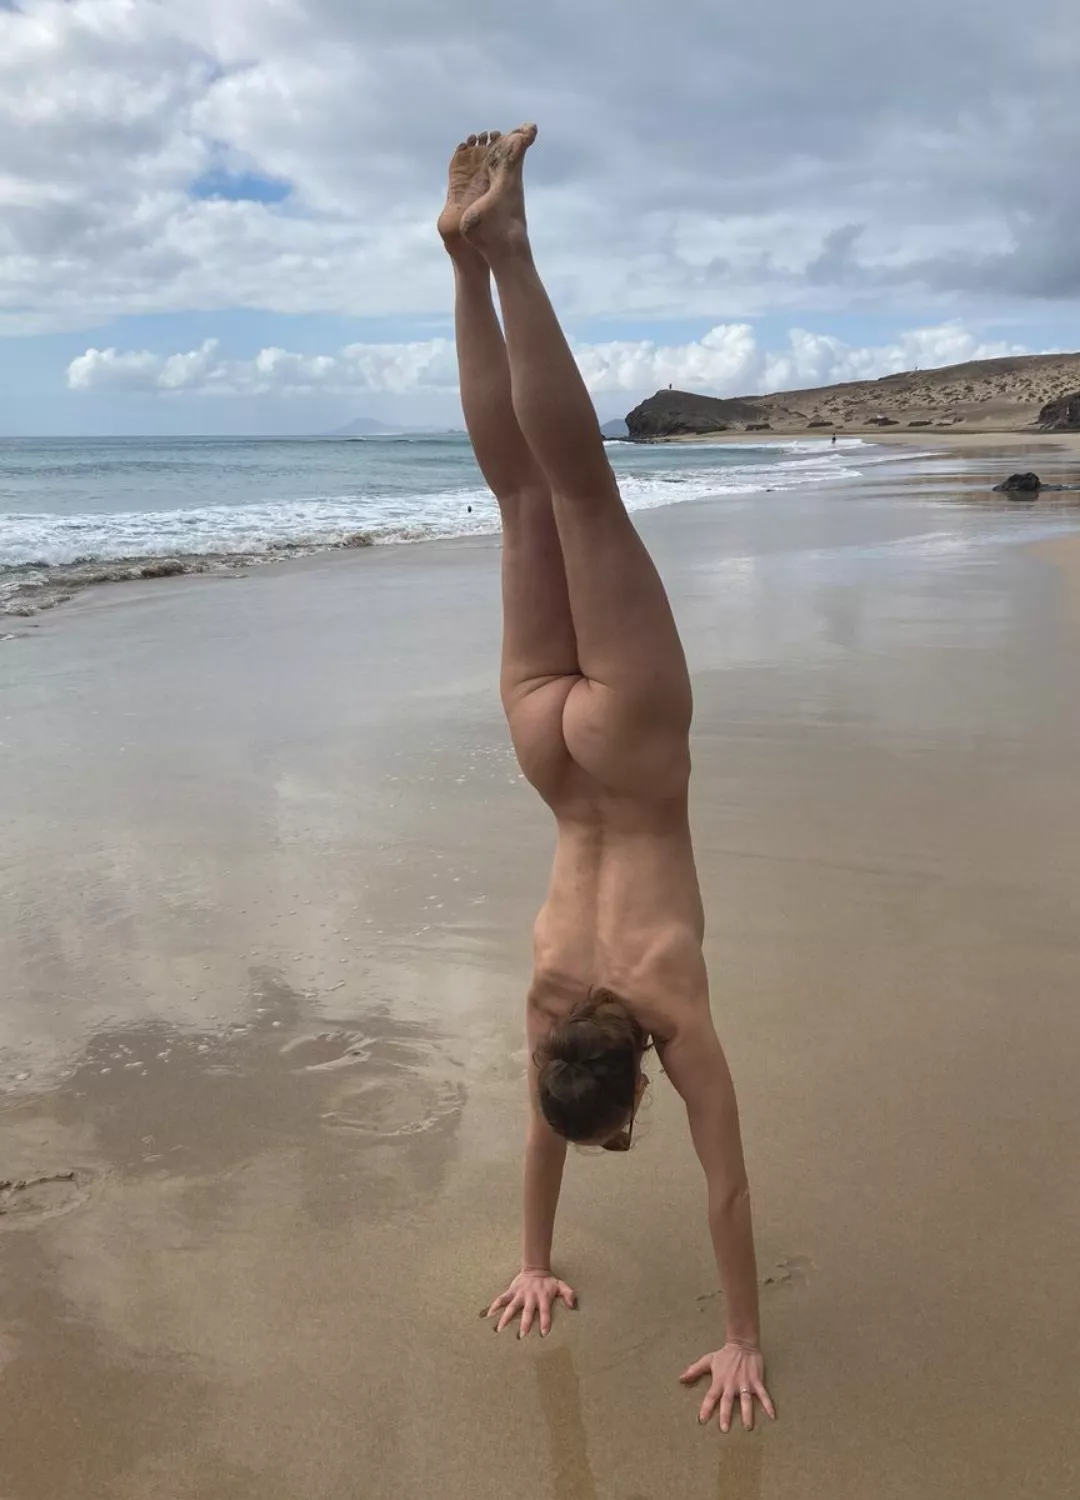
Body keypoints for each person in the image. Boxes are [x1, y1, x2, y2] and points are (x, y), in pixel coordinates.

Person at [438, 125, 776, 1434]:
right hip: (545, 747)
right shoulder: (544, 1000)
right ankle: (464, 269)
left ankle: (507, 248)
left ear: (633, 1072)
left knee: (576, 501)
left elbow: (728, 1188)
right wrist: (529, 1252)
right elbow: (541, 1125)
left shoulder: (667, 1007)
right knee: (522, 508)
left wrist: (743, 1339)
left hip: (629, 754)